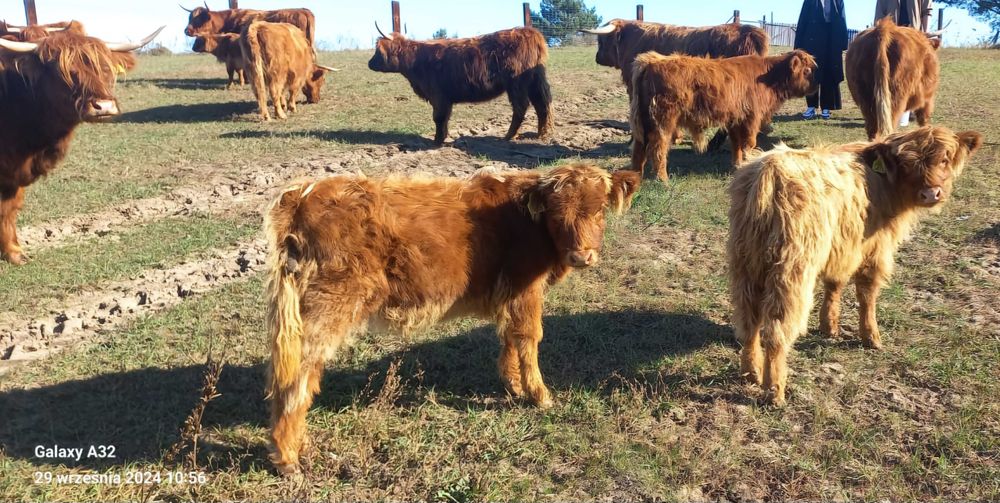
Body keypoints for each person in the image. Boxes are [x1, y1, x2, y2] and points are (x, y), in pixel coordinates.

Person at [874, 0, 933, 126]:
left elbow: (927, 10)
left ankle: (911, 108)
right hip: (891, 36)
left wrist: (924, 32)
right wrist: (878, 30)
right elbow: (880, 10)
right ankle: (890, 109)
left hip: (914, 35)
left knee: (914, 74)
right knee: (892, 74)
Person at [794, 0, 849, 120]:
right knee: (811, 73)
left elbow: (842, 19)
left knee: (829, 73)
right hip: (812, 39)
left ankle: (826, 107)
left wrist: (843, 42)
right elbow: (802, 19)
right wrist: (798, 44)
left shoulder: (838, 1)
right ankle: (811, 107)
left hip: (831, 39)